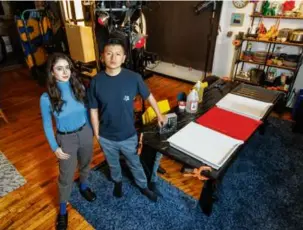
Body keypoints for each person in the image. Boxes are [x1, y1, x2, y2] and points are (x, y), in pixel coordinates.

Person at [88, 38, 166, 201]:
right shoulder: (96, 81)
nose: (113, 58)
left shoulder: (134, 78)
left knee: (134, 163)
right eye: (109, 53)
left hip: (128, 135)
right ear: (102, 57)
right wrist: (96, 133)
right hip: (106, 136)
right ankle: (117, 182)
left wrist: (159, 114)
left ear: (124, 58)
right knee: (112, 164)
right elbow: (93, 109)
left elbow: (149, 96)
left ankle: (143, 185)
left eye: (118, 54)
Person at [40, 53, 96, 230]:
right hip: (66, 139)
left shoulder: (78, 86)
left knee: (86, 164)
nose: (65, 72)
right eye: (59, 68)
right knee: (66, 176)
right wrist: (54, 147)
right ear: (52, 72)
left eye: (67, 67)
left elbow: (85, 111)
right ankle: (63, 210)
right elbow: (47, 125)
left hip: (85, 133)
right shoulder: (46, 98)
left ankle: (84, 185)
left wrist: (91, 130)